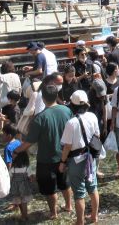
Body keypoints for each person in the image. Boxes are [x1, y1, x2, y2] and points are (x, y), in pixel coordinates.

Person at [15, 85, 73, 220]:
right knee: (64, 183)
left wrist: (17, 150)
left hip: (46, 159)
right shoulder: (67, 110)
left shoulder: (40, 118)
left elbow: (29, 142)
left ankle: (54, 213)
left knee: (49, 188)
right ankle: (69, 206)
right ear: (56, 95)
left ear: (43, 98)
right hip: (64, 155)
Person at [59, 91, 100, 225]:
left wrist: (62, 162)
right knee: (93, 188)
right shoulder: (93, 116)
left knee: (79, 193)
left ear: (72, 105)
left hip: (76, 160)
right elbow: (97, 137)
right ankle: (94, 217)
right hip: (90, 158)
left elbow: (67, 147)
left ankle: (79, 222)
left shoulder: (71, 123)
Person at [1, 124, 32, 221]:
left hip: (15, 177)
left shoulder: (8, 148)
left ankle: (23, 215)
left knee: (17, 196)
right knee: (24, 198)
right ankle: (24, 213)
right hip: (24, 174)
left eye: (3, 134)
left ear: (9, 135)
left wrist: (8, 178)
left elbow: (9, 164)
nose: (2, 136)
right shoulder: (19, 142)